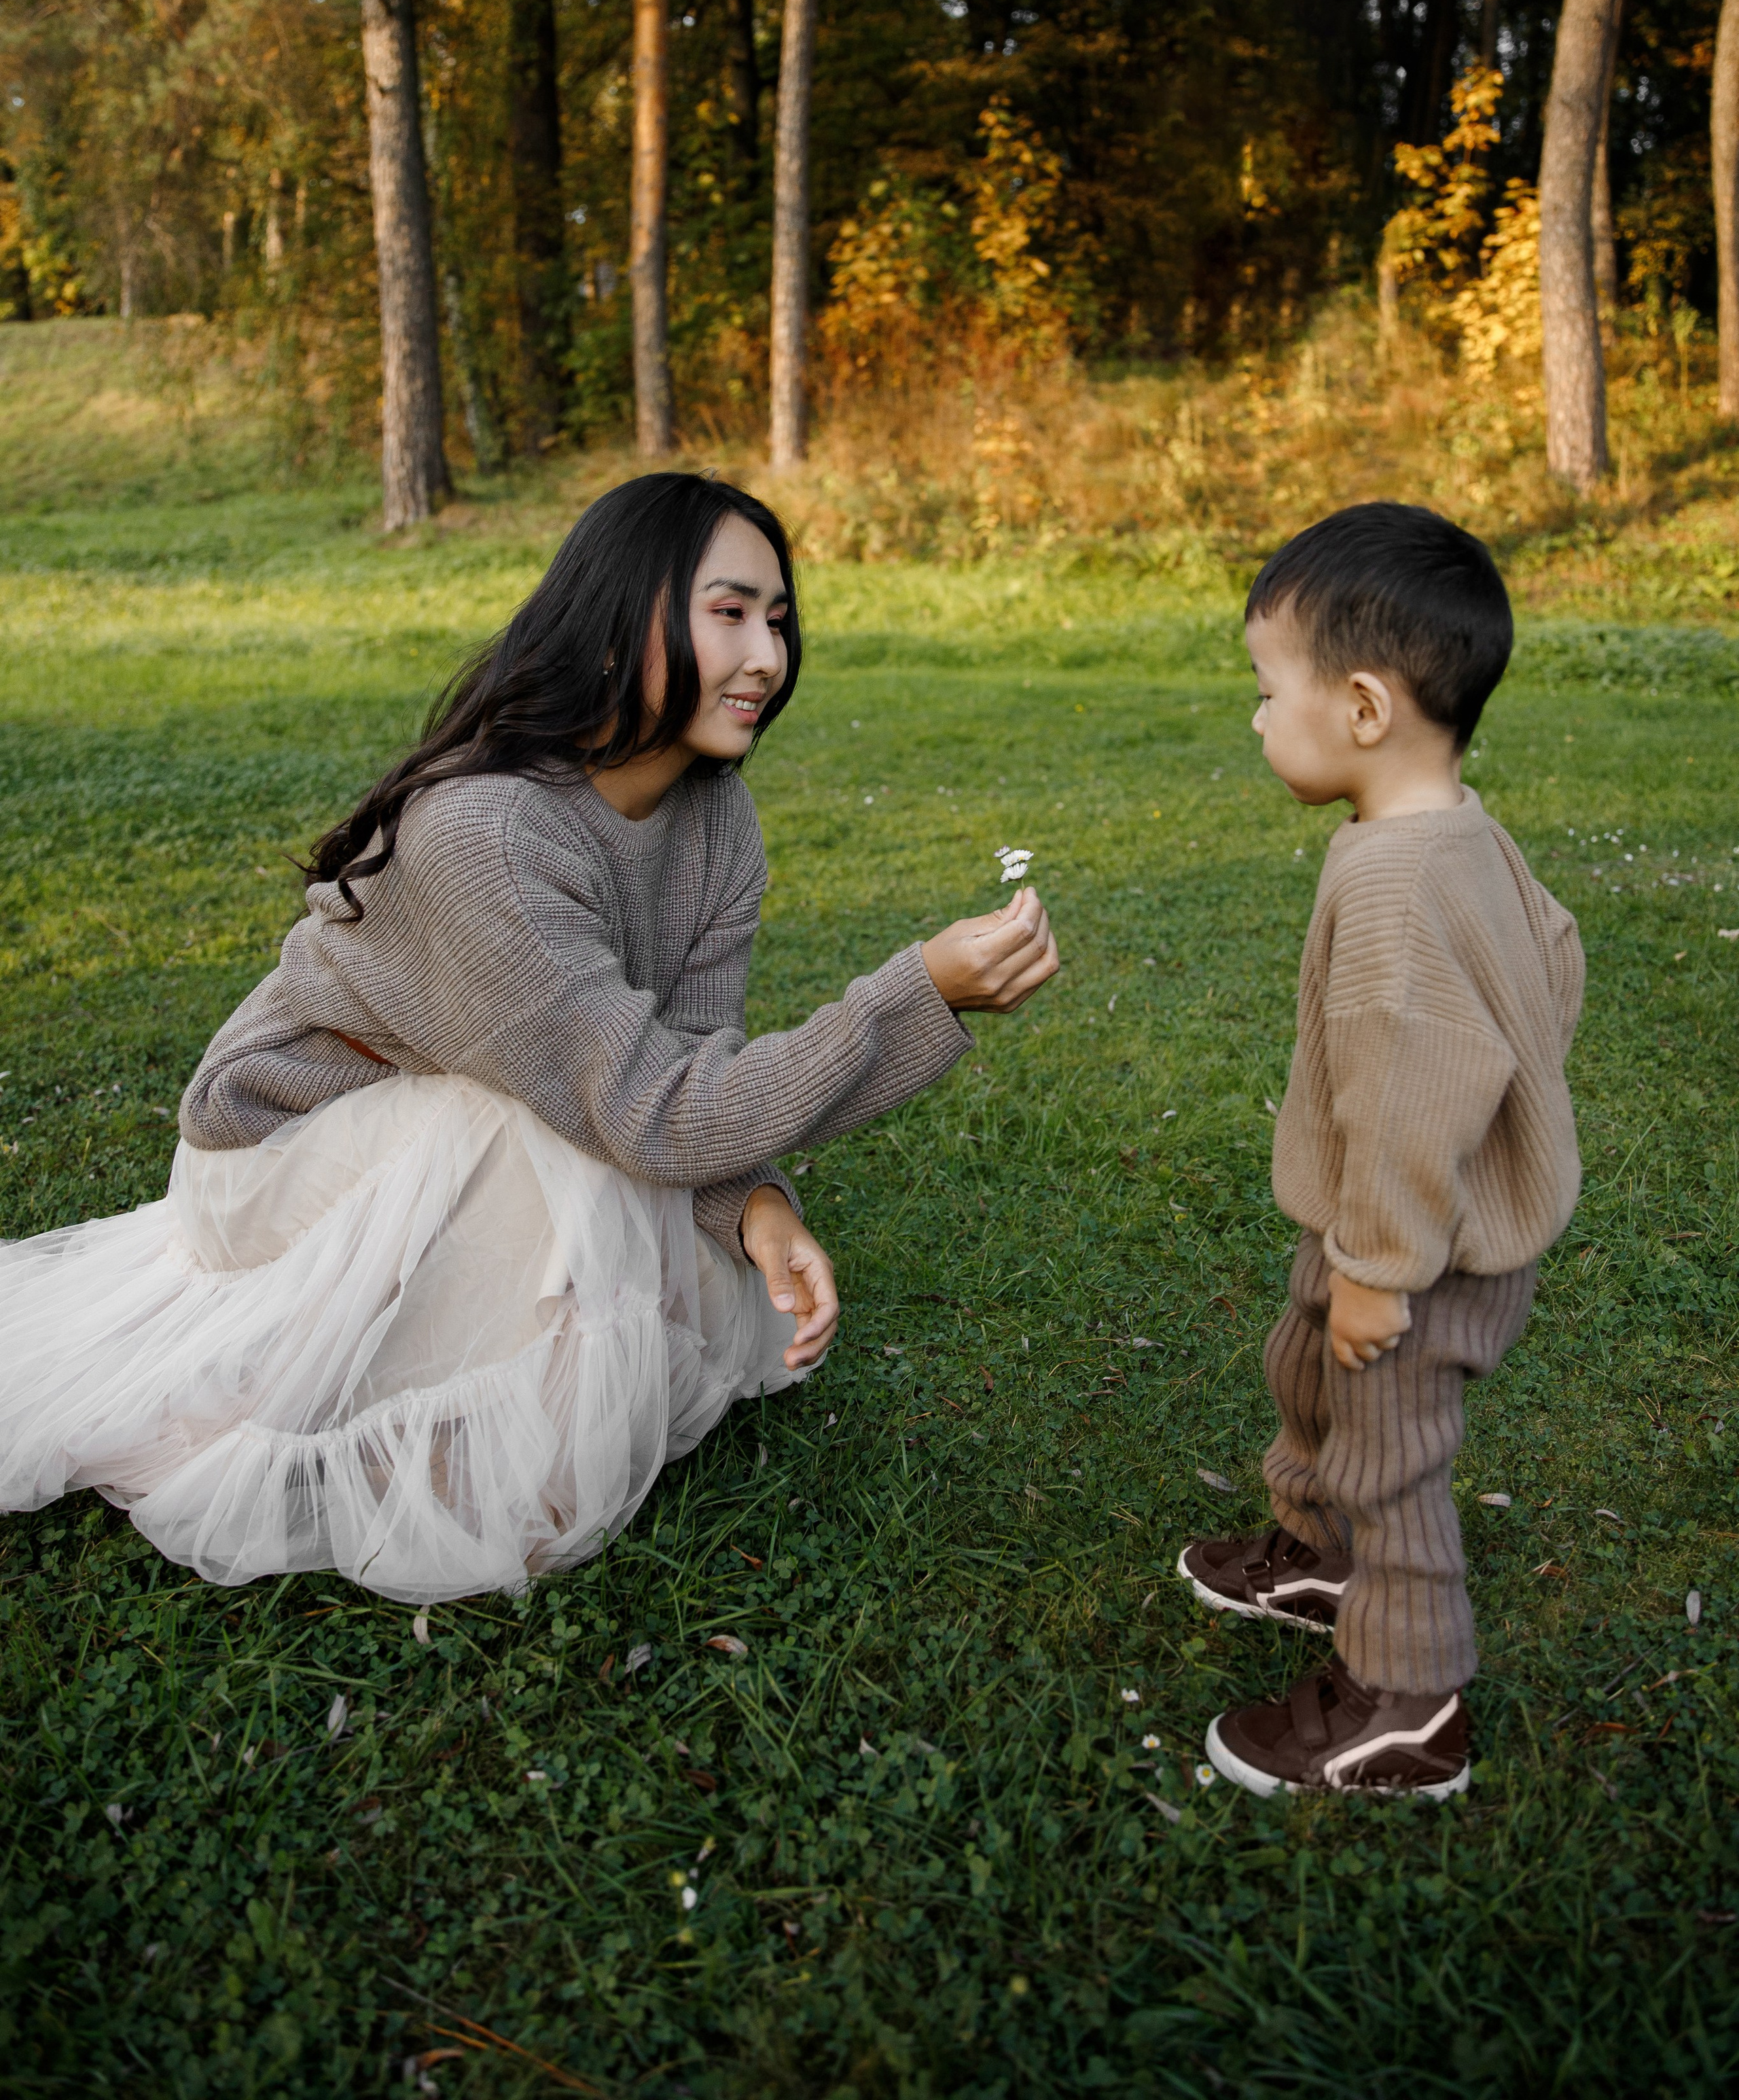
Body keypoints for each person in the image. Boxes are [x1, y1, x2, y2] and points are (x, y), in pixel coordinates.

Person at [0, 474, 1058, 1605]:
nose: (766, 658)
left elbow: (688, 1058)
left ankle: (435, 1376)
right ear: (618, 621)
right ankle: (286, 1413)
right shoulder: (488, 834)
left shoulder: (717, 820)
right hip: (282, 1159)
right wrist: (916, 995)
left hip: (489, 1122)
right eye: (729, 613)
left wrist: (753, 1203)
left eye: (779, 620)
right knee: (564, 1139)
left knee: (588, 1144)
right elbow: (647, 1113)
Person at [1176, 503, 1583, 1798]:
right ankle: (1320, 1554)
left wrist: (1380, 1267)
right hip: (1379, 1222)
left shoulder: (1400, 885)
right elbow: (1556, 949)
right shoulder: (1453, 828)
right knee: (1309, 1368)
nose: (1255, 718)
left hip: (1420, 1252)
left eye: (1266, 690)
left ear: (1362, 707)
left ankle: (1410, 1703)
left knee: (1390, 1453)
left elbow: (1411, 1095)